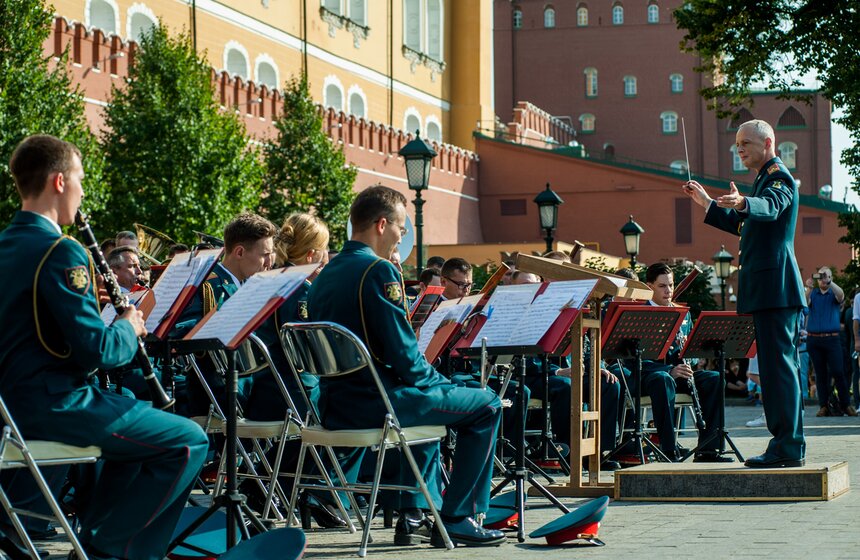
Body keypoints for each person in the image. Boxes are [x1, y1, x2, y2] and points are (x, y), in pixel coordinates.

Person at [0, 134, 207, 560]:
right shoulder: (61, 251)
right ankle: (112, 549)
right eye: (79, 179)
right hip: (52, 407)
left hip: (10, 408)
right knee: (189, 440)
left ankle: (96, 539)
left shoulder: (6, 245)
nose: (81, 192)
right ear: (59, 182)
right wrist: (129, 326)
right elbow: (99, 351)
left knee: (136, 432)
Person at [308, 185, 505, 547]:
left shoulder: (324, 275)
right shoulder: (378, 270)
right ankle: (458, 516)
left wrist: (433, 385)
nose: (402, 237)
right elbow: (406, 358)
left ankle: (414, 514)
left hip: (336, 405)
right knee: (487, 404)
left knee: (428, 402)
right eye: (400, 228)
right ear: (382, 225)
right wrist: (442, 383)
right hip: (378, 404)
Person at [682, 118, 806, 468]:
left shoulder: (778, 177)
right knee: (775, 369)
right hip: (770, 290)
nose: (739, 149)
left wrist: (744, 203)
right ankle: (786, 445)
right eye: (737, 144)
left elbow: (770, 206)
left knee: (779, 369)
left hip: (776, 289)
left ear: (767, 143)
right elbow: (744, 225)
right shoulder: (763, 180)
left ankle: (786, 447)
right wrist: (707, 202)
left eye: (745, 143)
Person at [631, 263, 729, 462]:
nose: (669, 291)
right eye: (662, 286)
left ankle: (708, 449)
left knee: (715, 379)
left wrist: (688, 352)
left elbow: (694, 355)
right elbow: (631, 359)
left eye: (671, 285)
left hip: (677, 375)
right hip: (648, 377)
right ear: (649, 286)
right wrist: (670, 369)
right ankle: (668, 449)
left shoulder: (682, 314)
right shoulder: (639, 313)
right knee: (663, 378)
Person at [804, 267, 855, 416]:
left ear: (830, 277)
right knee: (820, 374)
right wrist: (809, 288)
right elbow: (804, 302)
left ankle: (845, 404)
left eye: (825, 276)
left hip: (832, 339)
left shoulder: (833, 293)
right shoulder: (813, 293)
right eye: (820, 276)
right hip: (814, 339)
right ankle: (823, 405)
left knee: (838, 371)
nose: (822, 279)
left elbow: (841, 295)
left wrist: (830, 282)